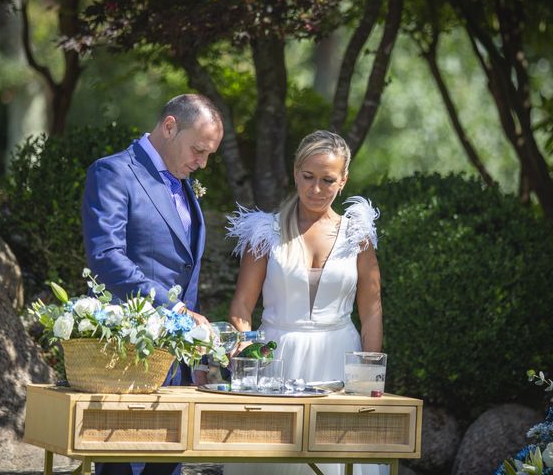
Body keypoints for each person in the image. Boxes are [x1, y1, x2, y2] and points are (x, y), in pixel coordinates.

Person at [223, 130, 386, 475]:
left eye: (327, 180)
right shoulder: (264, 232)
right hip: (275, 360)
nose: (316, 189)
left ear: (343, 180)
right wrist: (247, 354)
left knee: (339, 461)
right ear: (295, 173)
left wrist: (370, 375)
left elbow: (371, 309)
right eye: (308, 177)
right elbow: (241, 305)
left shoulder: (358, 235)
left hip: (339, 360)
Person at [82, 93, 224, 475]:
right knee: (120, 466)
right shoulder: (113, 172)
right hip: (126, 357)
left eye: (209, 154)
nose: (202, 163)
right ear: (169, 126)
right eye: (198, 150)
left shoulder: (185, 184)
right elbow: (106, 256)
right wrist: (173, 309)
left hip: (175, 363)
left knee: (167, 465)